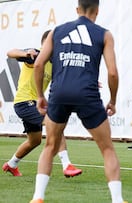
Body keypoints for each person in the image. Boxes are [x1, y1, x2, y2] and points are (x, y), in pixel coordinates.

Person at [29, 0, 125, 202]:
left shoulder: (57, 31)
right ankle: (117, 200)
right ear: (97, 11)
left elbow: (38, 65)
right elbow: (113, 73)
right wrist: (113, 101)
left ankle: (38, 197)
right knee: (107, 148)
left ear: (77, 9)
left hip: (59, 93)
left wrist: (40, 96)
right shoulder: (104, 34)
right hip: (87, 94)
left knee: (50, 146)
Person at [2, 30, 82, 178]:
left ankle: (11, 164)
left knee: (35, 141)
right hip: (24, 102)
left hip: (33, 104)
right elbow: (10, 52)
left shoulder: (55, 64)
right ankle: (67, 165)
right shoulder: (35, 56)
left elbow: (69, 77)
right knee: (55, 125)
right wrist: (25, 54)